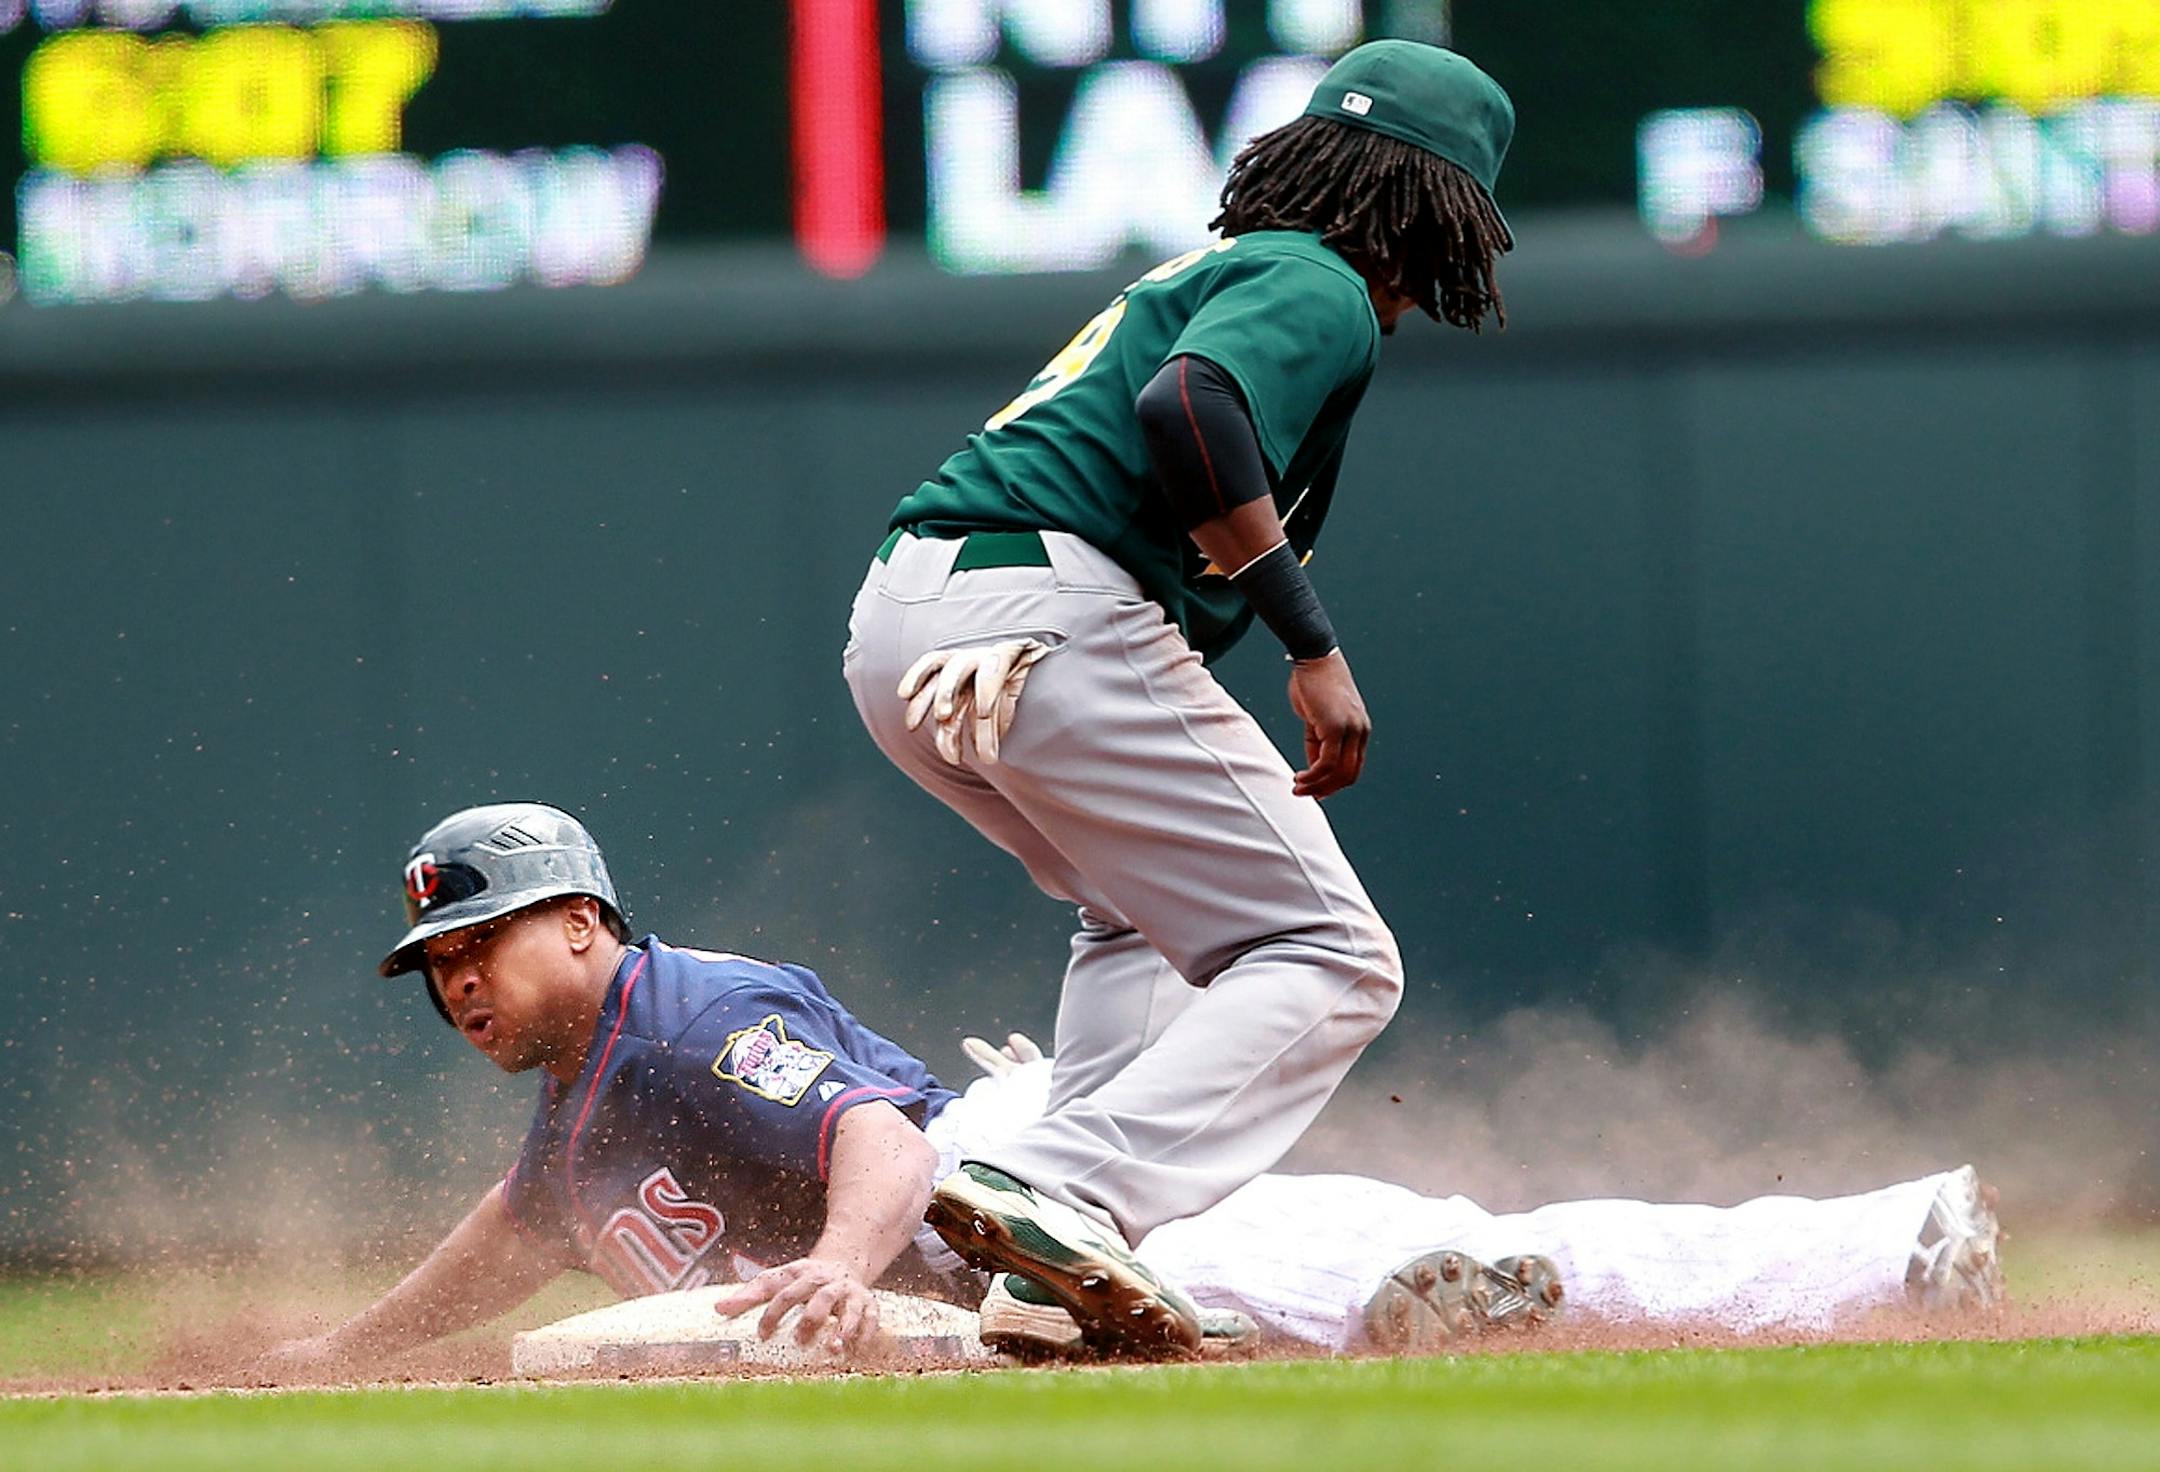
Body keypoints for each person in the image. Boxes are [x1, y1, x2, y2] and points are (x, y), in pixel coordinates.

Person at [265, 804, 2000, 1376]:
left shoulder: (679, 1011)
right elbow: (517, 1233)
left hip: (995, 1191)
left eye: (486, 940)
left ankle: (1888, 1242)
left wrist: (850, 1266)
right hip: (990, 1267)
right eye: (439, 968)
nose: (463, 980)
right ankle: (1888, 1244)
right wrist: (344, 1359)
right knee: (1429, 1256)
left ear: (585, 921)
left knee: (1367, 1268)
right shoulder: (576, 1117)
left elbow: (872, 1128)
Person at [842, 39, 1519, 1353]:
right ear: (1435, 202)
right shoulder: (1315, 276)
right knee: (1333, 955)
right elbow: (1191, 404)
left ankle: (1045, 1273)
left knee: (1134, 914)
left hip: (906, 624)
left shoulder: (1227, 266)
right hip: (1038, 605)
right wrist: (1309, 645)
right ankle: (1062, 1189)